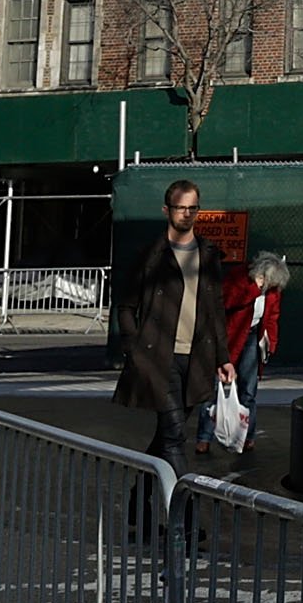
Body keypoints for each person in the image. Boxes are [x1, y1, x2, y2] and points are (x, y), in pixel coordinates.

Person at [115, 179, 229, 470]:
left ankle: (138, 497)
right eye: (181, 208)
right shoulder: (150, 255)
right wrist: (134, 347)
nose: (187, 214)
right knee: (176, 435)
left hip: (197, 359)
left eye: (193, 208)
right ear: (167, 210)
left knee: (167, 437)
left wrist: (224, 359)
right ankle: (184, 509)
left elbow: (215, 309)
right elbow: (126, 306)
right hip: (159, 358)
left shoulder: (209, 254)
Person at [208, 253, 286, 456]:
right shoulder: (239, 277)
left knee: (249, 390)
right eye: (266, 282)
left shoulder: (273, 290)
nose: (267, 287)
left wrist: (271, 344)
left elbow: (273, 316)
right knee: (215, 389)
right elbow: (227, 302)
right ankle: (204, 437)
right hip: (231, 334)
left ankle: (247, 436)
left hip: (253, 335)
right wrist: (254, 289)